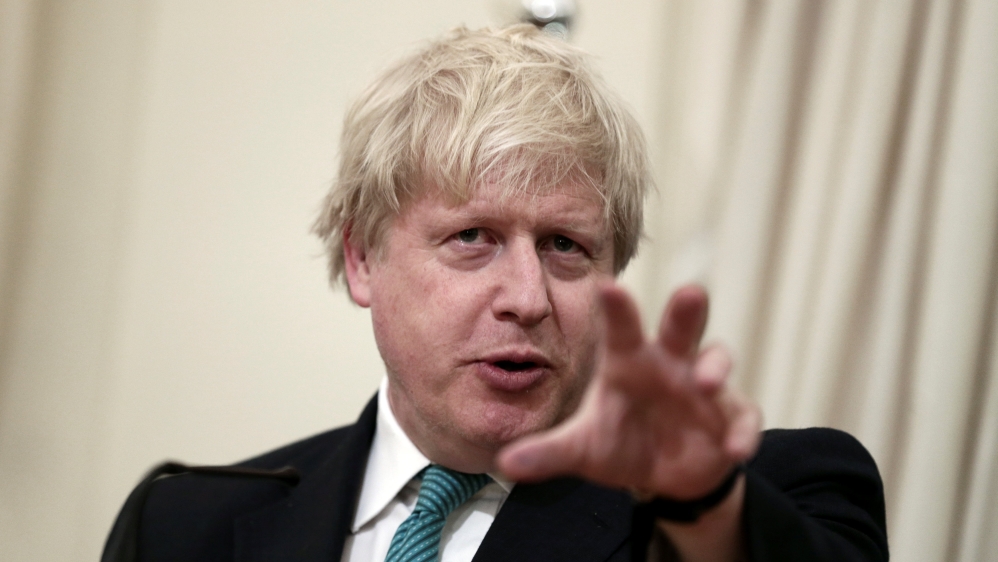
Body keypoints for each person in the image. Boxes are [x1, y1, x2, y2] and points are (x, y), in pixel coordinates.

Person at [103, 25, 888, 561]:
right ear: (363, 258)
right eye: (472, 238)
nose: (527, 297)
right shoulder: (186, 523)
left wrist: (705, 507)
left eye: (565, 246)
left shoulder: (759, 500)